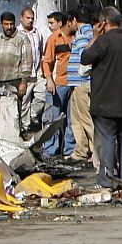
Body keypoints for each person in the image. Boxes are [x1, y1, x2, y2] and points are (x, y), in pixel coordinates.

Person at [81, 6, 122, 189]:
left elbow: (85, 57)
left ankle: (107, 180)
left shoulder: (103, 41)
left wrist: (94, 36)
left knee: (107, 139)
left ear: (104, 23)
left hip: (104, 101)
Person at [0, 11, 32, 128]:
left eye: (11, 24)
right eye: (6, 24)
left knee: (15, 113)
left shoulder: (22, 39)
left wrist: (24, 82)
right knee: (2, 112)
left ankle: (17, 135)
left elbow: (27, 62)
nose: (9, 27)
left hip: (16, 81)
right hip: (2, 81)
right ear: (1, 24)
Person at [41, 11, 75, 156]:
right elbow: (47, 62)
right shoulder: (53, 39)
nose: (49, 26)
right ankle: (50, 151)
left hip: (73, 83)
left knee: (71, 119)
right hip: (57, 84)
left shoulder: (76, 38)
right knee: (53, 118)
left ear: (61, 23)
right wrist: (49, 79)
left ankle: (69, 150)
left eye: (52, 23)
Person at [67, 5, 97, 165]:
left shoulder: (84, 35)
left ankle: (95, 151)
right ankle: (81, 150)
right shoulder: (86, 32)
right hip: (77, 83)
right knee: (77, 120)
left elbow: (85, 57)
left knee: (86, 119)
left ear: (73, 20)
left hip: (82, 82)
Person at [17, 7, 45, 130]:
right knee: (24, 100)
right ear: (21, 18)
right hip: (24, 72)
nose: (30, 21)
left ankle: (32, 114)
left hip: (37, 70)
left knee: (43, 94)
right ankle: (25, 126)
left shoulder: (37, 33)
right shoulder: (17, 33)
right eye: (28, 18)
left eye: (32, 18)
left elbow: (41, 51)